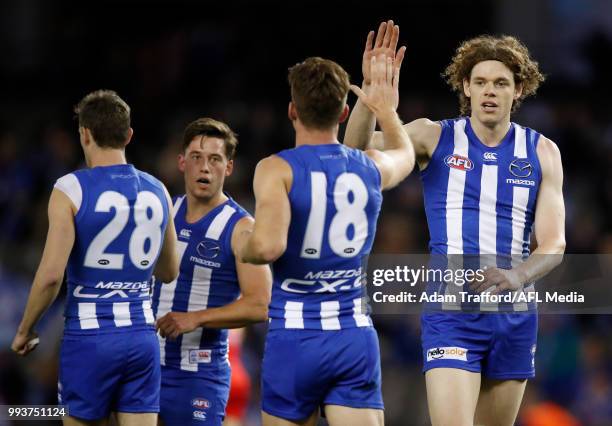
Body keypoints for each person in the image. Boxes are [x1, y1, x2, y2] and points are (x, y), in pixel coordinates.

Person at [345, 28, 566, 426]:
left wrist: (518, 275)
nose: (489, 91)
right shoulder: (434, 135)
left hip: (514, 316)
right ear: (465, 86)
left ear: (518, 90)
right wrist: (370, 96)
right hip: (452, 314)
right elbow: (356, 151)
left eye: (501, 83)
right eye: (480, 82)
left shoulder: (542, 151)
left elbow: (554, 244)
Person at [235, 29, 414, 425]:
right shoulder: (367, 166)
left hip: (294, 336)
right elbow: (403, 153)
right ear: (344, 112)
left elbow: (265, 248)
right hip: (352, 333)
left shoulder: (276, 168)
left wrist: (244, 240)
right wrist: (383, 105)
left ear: (292, 110)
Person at [11, 89, 179, 426]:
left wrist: (25, 329)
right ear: (128, 135)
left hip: (90, 338)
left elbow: (50, 276)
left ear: (84, 134)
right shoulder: (158, 189)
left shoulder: (70, 188)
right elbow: (169, 270)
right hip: (141, 337)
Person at [153, 117, 272, 426]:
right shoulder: (163, 213)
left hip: (198, 375)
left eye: (215, 159)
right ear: (182, 162)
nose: (204, 167)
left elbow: (260, 304)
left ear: (228, 167)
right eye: (196, 158)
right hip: (144, 367)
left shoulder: (241, 228)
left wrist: (194, 318)